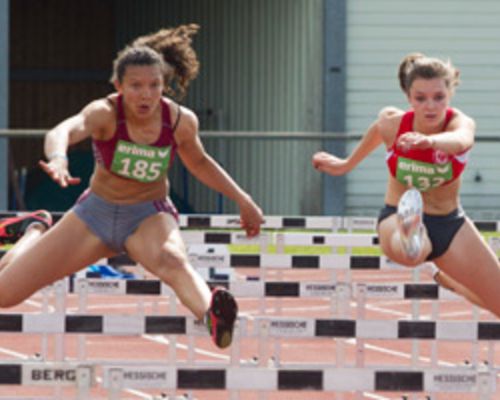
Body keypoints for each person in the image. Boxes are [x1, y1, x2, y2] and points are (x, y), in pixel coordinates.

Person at [0, 24, 263, 349]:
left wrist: (242, 198)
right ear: (118, 85)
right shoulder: (105, 113)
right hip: (93, 216)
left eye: (154, 85)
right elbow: (63, 130)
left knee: (172, 260)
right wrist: (58, 157)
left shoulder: (179, 121)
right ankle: (33, 230)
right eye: (136, 86)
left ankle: (212, 313)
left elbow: (199, 163)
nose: (146, 95)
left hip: (147, 216)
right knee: (5, 294)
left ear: (164, 85)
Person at [312, 53, 500, 316]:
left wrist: (431, 142)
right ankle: (412, 236)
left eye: (438, 97)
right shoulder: (393, 123)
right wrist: (346, 164)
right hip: (396, 217)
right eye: (420, 98)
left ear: (450, 94)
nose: (430, 106)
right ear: (408, 98)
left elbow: (462, 140)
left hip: (450, 224)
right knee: (412, 252)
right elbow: (378, 130)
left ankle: (446, 277)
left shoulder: (460, 123)